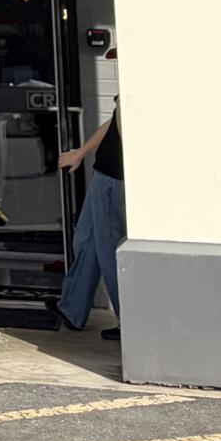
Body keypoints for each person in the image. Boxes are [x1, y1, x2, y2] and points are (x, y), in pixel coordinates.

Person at [52, 70, 125, 339]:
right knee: (88, 242)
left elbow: (123, 126)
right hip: (105, 175)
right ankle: (73, 308)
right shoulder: (129, 93)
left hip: (114, 180)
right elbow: (112, 123)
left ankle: (128, 322)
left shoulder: (137, 88)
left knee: (109, 250)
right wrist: (81, 153)